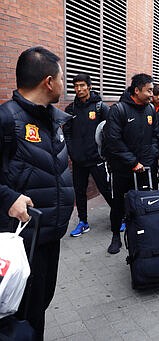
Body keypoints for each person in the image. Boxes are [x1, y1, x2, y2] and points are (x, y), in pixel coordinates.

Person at [0, 46, 74, 341]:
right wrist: (8, 198)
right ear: (48, 82)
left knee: (38, 307)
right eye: (61, 77)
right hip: (18, 243)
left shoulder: (54, 119)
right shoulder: (7, 120)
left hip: (48, 237)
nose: (64, 83)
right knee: (17, 316)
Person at [103, 73, 158, 254]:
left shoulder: (150, 110)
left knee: (142, 204)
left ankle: (140, 236)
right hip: (123, 170)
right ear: (136, 90)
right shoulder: (118, 110)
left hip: (144, 169)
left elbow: (154, 137)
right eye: (149, 90)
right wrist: (133, 162)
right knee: (118, 204)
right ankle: (116, 237)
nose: (152, 93)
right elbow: (113, 141)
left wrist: (149, 160)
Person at [63, 73, 113, 237]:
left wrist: (104, 153)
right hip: (79, 160)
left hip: (97, 159)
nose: (79, 89)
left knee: (106, 189)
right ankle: (83, 222)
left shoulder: (100, 107)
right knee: (79, 191)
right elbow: (67, 133)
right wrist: (72, 152)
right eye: (76, 86)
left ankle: (121, 216)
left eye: (82, 85)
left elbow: (110, 131)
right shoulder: (70, 109)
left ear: (89, 86)